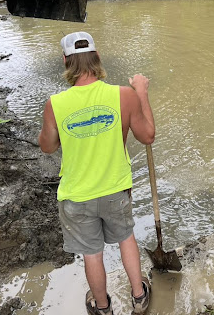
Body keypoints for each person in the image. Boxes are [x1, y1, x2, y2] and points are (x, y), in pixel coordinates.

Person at [38, 32, 155, 315]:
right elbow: (148, 135)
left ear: (66, 61)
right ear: (98, 58)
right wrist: (142, 93)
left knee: (92, 253)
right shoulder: (123, 95)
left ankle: (102, 307)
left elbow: (48, 147)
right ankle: (139, 296)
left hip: (77, 195)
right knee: (126, 237)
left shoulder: (55, 103)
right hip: (116, 189)